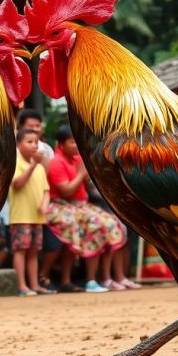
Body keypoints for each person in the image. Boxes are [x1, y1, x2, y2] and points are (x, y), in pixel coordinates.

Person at [44, 126, 127, 293]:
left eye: (77, 141)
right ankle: (90, 280)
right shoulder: (56, 162)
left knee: (113, 223)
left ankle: (106, 278)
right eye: (71, 142)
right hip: (60, 206)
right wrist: (81, 174)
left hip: (80, 206)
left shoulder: (77, 160)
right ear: (61, 144)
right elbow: (66, 191)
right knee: (95, 225)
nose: (76, 145)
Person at [9, 128, 52, 296]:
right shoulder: (15, 162)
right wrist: (33, 165)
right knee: (21, 250)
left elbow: (46, 190)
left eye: (36, 142)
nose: (34, 145)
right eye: (29, 142)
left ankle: (34, 285)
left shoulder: (40, 168)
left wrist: (45, 204)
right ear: (18, 144)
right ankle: (22, 286)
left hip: (37, 217)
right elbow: (17, 184)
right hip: (21, 216)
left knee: (34, 252)